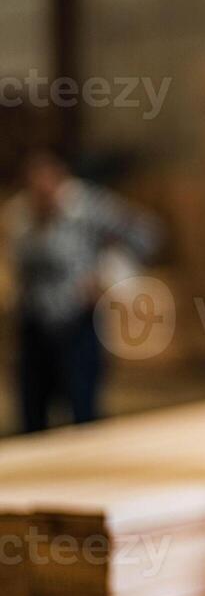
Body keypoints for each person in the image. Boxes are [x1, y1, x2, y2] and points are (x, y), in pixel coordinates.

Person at [5, 150, 161, 431]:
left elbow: (145, 233)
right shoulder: (19, 216)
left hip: (76, 319)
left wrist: (109, 274)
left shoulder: (88, 208)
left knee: (83, 409)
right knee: (32, 414)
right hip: (34, 323)